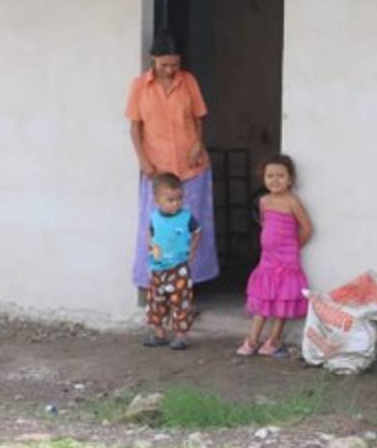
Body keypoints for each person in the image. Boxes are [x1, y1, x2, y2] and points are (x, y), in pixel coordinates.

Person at [125, 35, 219, 298]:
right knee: (157, 229)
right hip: (158, 170)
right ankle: (156, 289)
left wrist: (198, 143)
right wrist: (143, 160)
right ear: (153, 59)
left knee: (191, 228)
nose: (170, 70)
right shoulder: (139, 86)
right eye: (164, 65)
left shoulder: (188, 82)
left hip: (191, 168)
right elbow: (135, 126)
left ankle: (187, 290)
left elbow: (199, 118)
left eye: (174, 65)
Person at [237, 154, 313, 357]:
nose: (274, 180)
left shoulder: (292, 202)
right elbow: (265, 225)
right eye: (270, 176)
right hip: (267, 260)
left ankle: (274, 339)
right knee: (263, 296)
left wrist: (293, 247)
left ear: (290, 179)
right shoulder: (264, 201)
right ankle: (252, 339)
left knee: (282, 299)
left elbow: (307, 228)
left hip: (287, 260)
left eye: (280, 176)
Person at [144, 172, 200, 350]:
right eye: (170, 200)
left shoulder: (186, 217)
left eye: (179, 199)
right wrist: (151, 247)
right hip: (157, 268)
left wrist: (192, 250)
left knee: (180, 302)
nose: (176, 203)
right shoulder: (154, 217)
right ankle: (160, 334)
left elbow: (198, 231)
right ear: (156, 199)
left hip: (178, 268)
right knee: (156, 301)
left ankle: (181, 336)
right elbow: (152, 234)